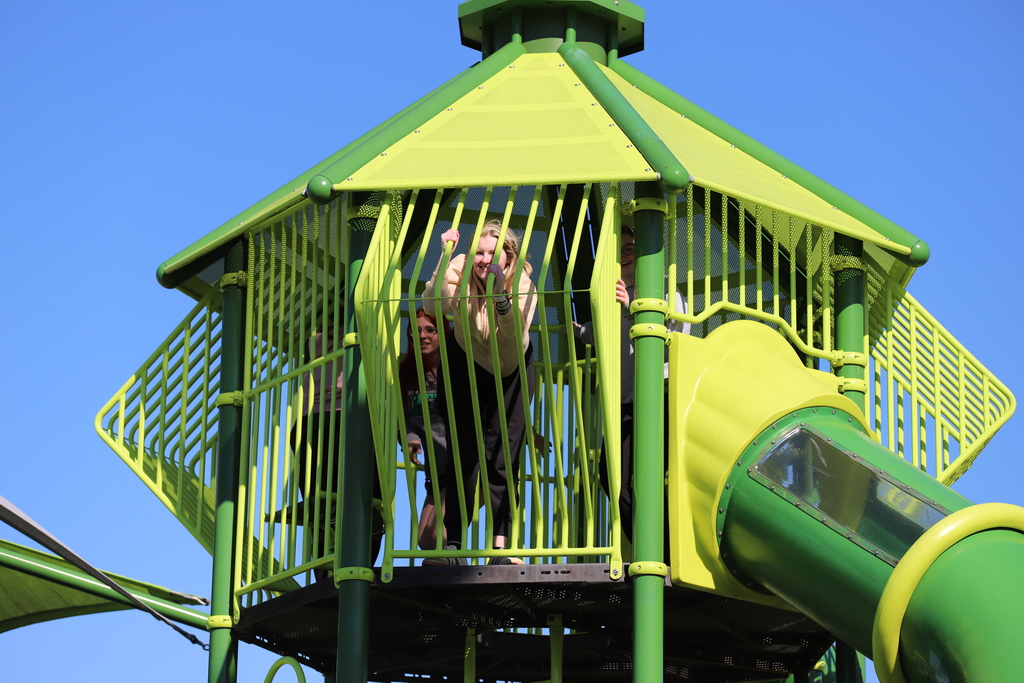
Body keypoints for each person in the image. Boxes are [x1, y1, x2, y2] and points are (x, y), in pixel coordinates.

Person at [422, 219, 538, 566]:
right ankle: (453, 545)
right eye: (479, 253)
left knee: (502, 457)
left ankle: (501, 548)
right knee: (464, 455)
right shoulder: (460, 266)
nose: (484, 260)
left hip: (512, 368)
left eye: (493, 253)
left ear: (509, 256)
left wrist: (500, 293)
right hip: (466, 360)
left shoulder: (523, 283)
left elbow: (511, 336)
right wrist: (445, 258)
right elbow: (433, 306)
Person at [572, 223, 690, 546]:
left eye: (630, 248)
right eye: (619, 250)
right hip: (626, 403)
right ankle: (649, 546)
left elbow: (670, 335)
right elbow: (600, 333)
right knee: (611, 477)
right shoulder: (615, 298)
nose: (625, 257)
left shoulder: (667, 294)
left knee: (651, 478)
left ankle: (663, 547)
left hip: (659, 399)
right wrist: (579, 331)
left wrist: (630, 308)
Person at [291, 323, 384, 578]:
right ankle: (360, 565)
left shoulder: (314, 336)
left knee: (323, 506)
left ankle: (325, 570)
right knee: (369, 502)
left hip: (310, 425)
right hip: (346, 419)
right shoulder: (367, 334)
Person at [397, 308, 451, 550]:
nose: (422, 335)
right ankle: (453, 569)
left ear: (443, 334)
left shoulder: (458, 371)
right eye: (416, 330)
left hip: (464, 467)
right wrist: (410, 439)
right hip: (437, 474)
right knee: (424, 540)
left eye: (430, 329)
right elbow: (405, 418)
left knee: (437, 532)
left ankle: (454, 571)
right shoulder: (408, 373)